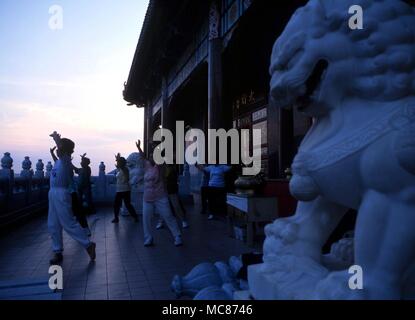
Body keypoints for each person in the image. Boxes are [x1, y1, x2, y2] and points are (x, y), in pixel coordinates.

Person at [48, 131, 96, 265]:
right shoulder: (59, 162)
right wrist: (56, 147)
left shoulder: (66, 160)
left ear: (65, 150)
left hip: (62, 194)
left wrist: (57, 139)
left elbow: (62, 152)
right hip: (53, 194)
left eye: (60, 147)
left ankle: (88, 244)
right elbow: (58, 155)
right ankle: (57, 251)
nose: (58, 149)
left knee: (68, 223)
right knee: (53, 224)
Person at [136, 140, 183, 247]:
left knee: (168, 216)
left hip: (160, 196)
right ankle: (148, 238)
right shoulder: (147, 165)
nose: (153, 157)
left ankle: (177, 236)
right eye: (151, 156)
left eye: (155, 155)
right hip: (147, 198)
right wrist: (139, 147)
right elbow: (143, 157)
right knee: (146, 219)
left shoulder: (160, 165)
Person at [157, 163, 189, 229]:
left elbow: (174, 180)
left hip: (171, 190)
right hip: (163, 190)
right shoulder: (162, 169)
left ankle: (183, 221)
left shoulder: (172, 170)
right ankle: (160, 222)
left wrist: (166, 180)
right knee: (163, 207)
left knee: (176, 206)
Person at [112, 153, 138, 223]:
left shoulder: (125, 169)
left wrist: (124, 180)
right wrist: (117, 159)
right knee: (117, 205)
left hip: (125, 190)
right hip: (119, 190)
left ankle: (135, 217)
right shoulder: (120, 169)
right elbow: (118, 167)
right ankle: (116, 218)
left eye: (119, 162)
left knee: (127, 204)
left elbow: (127, 178)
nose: (117, 163)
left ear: (122, 163)